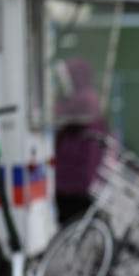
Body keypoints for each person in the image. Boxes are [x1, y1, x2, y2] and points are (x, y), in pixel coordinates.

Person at [52, 57, 108, 224]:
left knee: (73, 218)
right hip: (81, 171)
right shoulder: (87, 95)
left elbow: (58, 111)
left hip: (77, 172)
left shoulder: (84, 98)